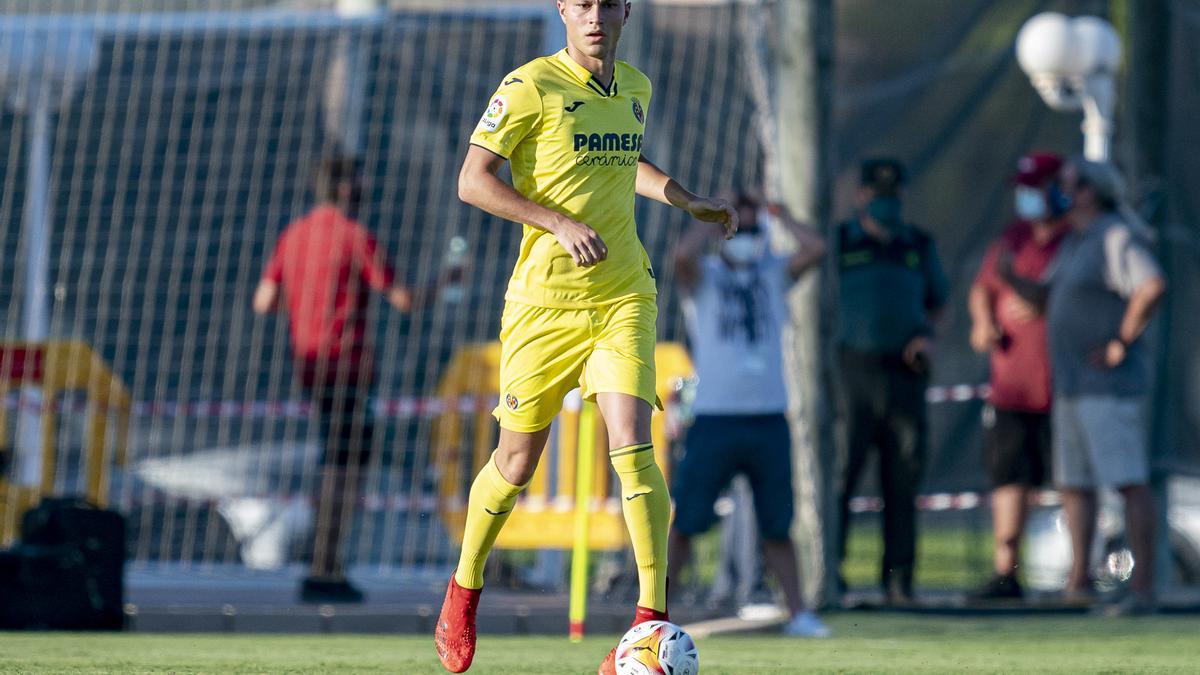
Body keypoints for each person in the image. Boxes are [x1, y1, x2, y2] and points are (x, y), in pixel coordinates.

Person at [435, 2, 737, 672]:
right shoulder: (529, 86)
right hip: (544, 306)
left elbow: (627, 164)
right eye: (581, 4)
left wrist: (687, 199)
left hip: (623, 292)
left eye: (606, 3)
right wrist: (555, 222)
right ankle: (463, 587)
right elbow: (472, 181)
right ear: (563, 11)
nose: (594, 15)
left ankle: (648, 621)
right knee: (515, 464)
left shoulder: (634, 86)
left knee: (633, 444)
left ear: (624, 9)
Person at [999, 158, 1166, 615]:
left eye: (1067, 185)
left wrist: (1120, 342)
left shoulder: (1114, 235)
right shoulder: (1076, 240)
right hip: (1072, 385)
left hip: (1107, 386)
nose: (1058, 192)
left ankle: (1142, 589)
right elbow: (1049, 300)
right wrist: (1012, 279)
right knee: (1075, 486)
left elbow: (1151, 285)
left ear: (1090, 191)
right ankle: (1080, 582)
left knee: (1128, 483)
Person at [668, 189, 829, 637]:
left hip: (768, 417)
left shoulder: (774, 272)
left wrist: (778, 212)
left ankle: (799, 613)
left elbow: (816, 247)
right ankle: (655, 615)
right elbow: (682, 254)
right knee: (686, 523)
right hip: (716, 417)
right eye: (743, 230)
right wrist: (712, 214)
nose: (748, 238)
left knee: (778, 523)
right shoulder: (706, 275)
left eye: (755, 231)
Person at [253, 155, 412, 603]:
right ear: (343, 188)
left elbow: (264, 300)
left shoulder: (295, 233)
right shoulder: (353, 235)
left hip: (311, 368)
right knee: (344, 470)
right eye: (359, 181)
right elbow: (402, 299)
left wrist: (304, 308)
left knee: (335, 461)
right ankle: (324, 566)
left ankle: (324, 562)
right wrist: (444, 283)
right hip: (347, 365)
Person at [834, 158, 948, 604]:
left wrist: (927, 335)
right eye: (877, 195)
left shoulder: (918, 244)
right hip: (851, 373)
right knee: (842, 476)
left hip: (904, 374)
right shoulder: (842, 241)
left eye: (893, 196)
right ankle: (831, 575)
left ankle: (899, 582)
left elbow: (939, 301)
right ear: (861, 196)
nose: (886, 203)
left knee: (902, 479)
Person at [966, 152, 1069, 601]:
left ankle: (1078, 574)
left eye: (1036, 187)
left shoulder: (1075, 239)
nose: (1027, 198)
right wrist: (983, 319)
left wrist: (1022, 288)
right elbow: (983, 287)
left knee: (1071, 482)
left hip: (1063, 388)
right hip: (1012, 387)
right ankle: (1006, 572)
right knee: (1009, 476)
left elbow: (1049, 299)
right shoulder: (1014, 237)